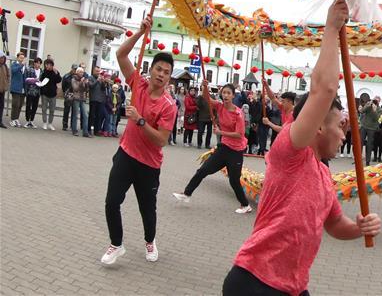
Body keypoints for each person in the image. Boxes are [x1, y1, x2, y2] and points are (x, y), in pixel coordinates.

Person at [223, 0, 381, 295]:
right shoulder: (291, 152)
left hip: (294, 288)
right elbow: (324, 88)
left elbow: (335, 225)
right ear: (318, 125)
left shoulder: (323, 177)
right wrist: (332, 29)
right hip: (254, 282)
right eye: (339, 126)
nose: (344, 136)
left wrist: (360, 227)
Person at [101, 15, 177, 266]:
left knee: (147, 210)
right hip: (125, 154)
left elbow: (162, 141)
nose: (161, 74)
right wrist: (139, 34)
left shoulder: (169, 106)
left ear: (169, 78)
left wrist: (141, 120)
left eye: (166, 72)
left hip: (149, 165)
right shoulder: (139, 85)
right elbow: (121, 56)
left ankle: (150, 240)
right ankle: (116, 244)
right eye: (158, 69)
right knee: (112, 202)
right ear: (151, 69)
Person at [173, 83, 252, 213]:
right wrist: (205, 87)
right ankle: (186, 194)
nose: (225, 95)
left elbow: (239, 134)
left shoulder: (238, 113)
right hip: (223, 148)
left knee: (234, 181)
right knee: (202, 170)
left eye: (228, 93)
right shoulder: (220, 106)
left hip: (236, 151)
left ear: (233, 95)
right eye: (224, 93)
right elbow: (206, 98)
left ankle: (245, 205)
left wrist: (221, 133)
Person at [359, 97, 382, 166]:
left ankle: (367, 161)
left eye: (377, 101)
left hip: (371, 128)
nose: (375, 102)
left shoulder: (379, 109)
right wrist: (368, 105)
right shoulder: (368, 105)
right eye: (374, 100)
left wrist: (374, 110)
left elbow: (376, 119)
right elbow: (362, 111)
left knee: (369, 145)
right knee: (360, 142)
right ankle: (358, 159)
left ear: (379, 102)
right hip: (364, 126)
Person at [69, 67, 90, 136]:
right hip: (76, 98)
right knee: (75, 115)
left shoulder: (83, 79)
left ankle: (85, 132)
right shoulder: (73, 79)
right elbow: (75, 89)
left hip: (83, 99)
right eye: (80, 72)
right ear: (77, 72)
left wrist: (86, 84)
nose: (82, 73)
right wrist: (81, 82)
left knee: (85, 115)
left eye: (82, 72)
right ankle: (74, 130)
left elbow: (86, 90)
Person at [23, 57, 41, 128]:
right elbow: (26, 79)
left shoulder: (41, 71)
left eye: (39, 63)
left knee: (35, 106)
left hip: (37, 91)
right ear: (34, 63)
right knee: (28, 106)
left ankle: (32, 120)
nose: (38, 65)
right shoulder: (29, 69)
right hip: (30, 91)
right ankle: (27, 120)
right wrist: (34, 80)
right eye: (37, 63)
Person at [9, 52, 26, 127]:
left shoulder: (24, 66)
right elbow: (14, 71)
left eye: (23, 58)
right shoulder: (14, 65)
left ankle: (16, 119)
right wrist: (21, 65)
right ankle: (12, 119)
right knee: (15, 104)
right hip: (15, 88)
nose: (22, 59)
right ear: (17, 58)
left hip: (22, 88)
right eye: (20, 58)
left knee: (20, 104)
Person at [0, 53, 8, 128]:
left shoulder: (5, 66)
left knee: (1, 106)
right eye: (1, 58)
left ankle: (0, 121)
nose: (2, 59)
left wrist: (6, 84)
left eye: (3, 58)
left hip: (2, 90)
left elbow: (8, 76)